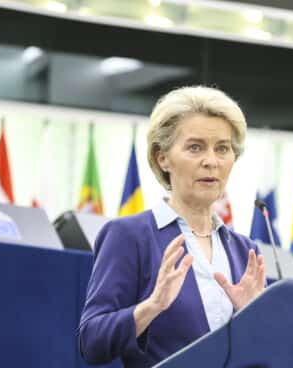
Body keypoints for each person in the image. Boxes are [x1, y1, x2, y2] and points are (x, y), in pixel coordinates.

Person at [77, 86, 266, 367]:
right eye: (195, 147)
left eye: (222, 149)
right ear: (162, 158)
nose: (211, 161)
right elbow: (91, 342)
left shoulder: (245, 251)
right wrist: (152, 306)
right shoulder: (129, 237)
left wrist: (257, 320)